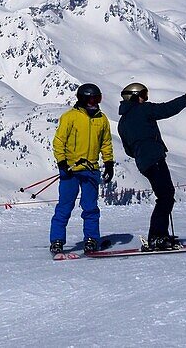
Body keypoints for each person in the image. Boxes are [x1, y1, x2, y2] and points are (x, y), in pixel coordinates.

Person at [117, 82, 186, 251]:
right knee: (165, 197)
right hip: (155, 158)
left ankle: (159, 235)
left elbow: (128, 150)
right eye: (144, 95)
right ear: (136, 96)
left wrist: (142, 152)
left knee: (164, 196)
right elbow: (167, 109)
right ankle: (157, 237)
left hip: (143, 163)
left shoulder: (122, 122)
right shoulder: (143, 110)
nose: (146, 98)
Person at [49, 83, 115, 256]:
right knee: (65, 206)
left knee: (90, 207)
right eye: (92, 99)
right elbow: (59, 142)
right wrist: (62, 163)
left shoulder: (102, 119)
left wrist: (108, 163)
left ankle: (91, 239)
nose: (95, 103)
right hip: (71, 169)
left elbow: (106, 143)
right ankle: (57, 241)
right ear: (83, 99)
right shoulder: (70, 117)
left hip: (91, 169)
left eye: (98, 98)